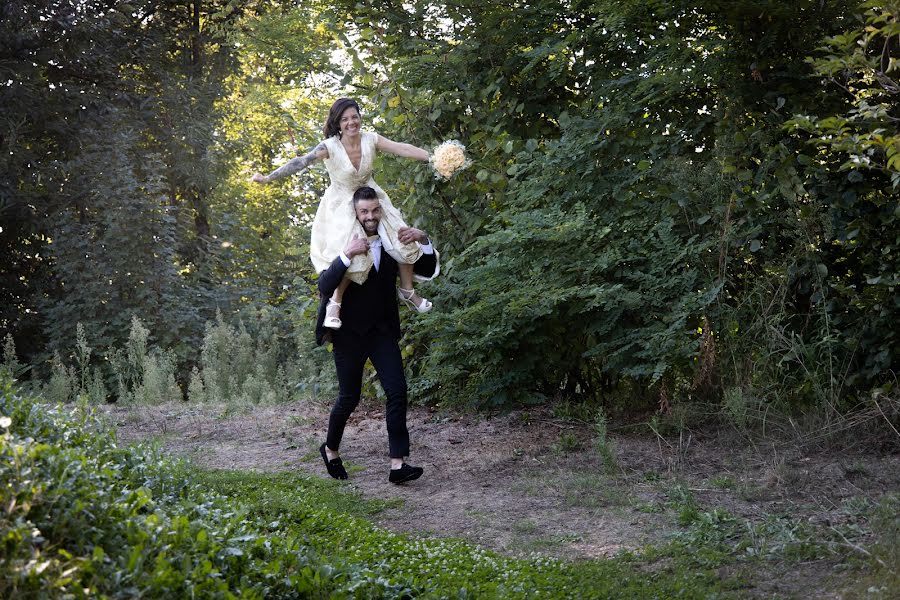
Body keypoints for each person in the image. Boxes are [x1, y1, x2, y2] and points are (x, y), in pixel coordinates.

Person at [251, 98, 434, 330]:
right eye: (345, 119)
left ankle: (407, 291)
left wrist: (432, 157)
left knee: (402, 234)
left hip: (370, 196)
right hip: (343, 202)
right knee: (350, 249)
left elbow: (402, 148)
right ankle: (335, 303)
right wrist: (269, 178)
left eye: (354, 117)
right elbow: (301, 162)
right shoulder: (329, 146)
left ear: (360, 117)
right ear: (338, 123)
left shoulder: (371, 139)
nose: (351, 122)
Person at [315, 186, 438, 484]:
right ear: (356, 213)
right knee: (349, 397)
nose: (370, 216)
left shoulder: (391, 237)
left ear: (381, 209)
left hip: (382, 330)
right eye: (364, 212)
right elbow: (324, 285)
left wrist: (423, 239)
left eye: (374, 210)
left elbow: (426, 266)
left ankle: (398, 464)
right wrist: (346, 256)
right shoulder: (345, 238)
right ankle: (330, 449)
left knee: (397, 391)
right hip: (348, 332)